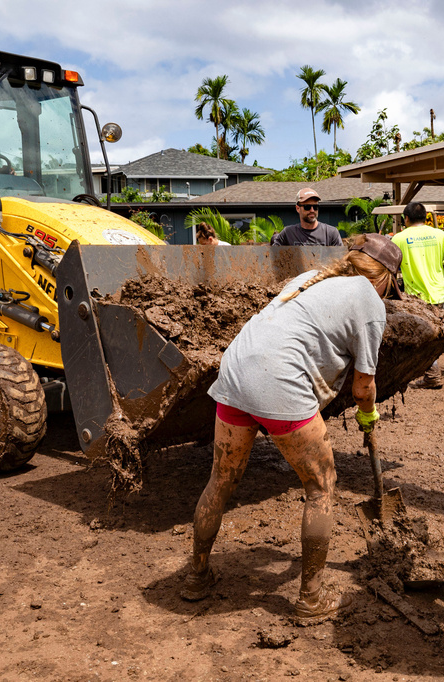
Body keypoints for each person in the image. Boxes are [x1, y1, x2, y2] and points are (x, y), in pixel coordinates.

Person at [182, 233, 401, 626]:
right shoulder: (370, 301)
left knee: (221, 480)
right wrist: (367, 414)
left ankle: (197, 577)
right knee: (320, 487)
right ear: (384, 278)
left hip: (236, 371)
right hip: (280, 381)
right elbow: (363, 385)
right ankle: (311, 598)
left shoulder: (313, 277)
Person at [391, 201, 444, 389]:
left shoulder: (399, 238)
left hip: (415, 298)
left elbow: (391, 267)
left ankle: (431, 375)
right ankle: (431, 372)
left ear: (406, 218)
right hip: (437, 294)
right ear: (424, 218)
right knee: (436, 335)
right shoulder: (439, 235)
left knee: (422, 336)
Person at [270, 188, 343, 246]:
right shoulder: (288, 233)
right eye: (307, 207)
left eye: (315, 207)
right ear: (298, 208)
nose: (312, 210)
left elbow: (341, 261)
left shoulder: (331, 233)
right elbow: (273, 257)